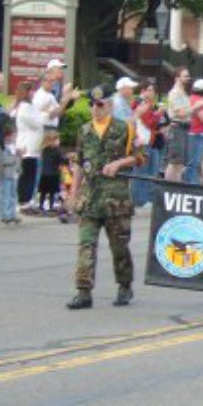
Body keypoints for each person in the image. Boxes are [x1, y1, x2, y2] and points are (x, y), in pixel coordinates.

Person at [66, 85, 146, 310]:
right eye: (92, 104)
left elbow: (140, 157)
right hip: (90, 197)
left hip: (115, 199)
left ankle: (124, 286)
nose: (95, 109)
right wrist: (73, 193)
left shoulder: (125, 128)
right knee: (86, 244)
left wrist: (119, 163)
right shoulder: (84, 130)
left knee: (119, 246)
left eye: (100, 105)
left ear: (109, 105)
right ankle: (83, 291)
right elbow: (80, 163)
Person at [13, 81, 56, 213]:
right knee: (27, 176)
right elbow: (38, 122)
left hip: (33, 147)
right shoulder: (25, 107)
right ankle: (24, 202)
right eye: (31, 90)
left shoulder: (29, 107)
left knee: (30, 175)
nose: (33, 93)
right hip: (27, 146)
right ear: (25, 92)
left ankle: (28, 201)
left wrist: (43, 113)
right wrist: (45, 113)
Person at [130, 81, 168, 207]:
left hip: (149, 142)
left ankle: (148, 198)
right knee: (140, 172)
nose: (151, 93)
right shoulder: (140, 103)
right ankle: (139, 200)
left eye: (153, 90)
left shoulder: (149, 104)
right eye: (149, 89)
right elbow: (149, 122)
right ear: (143, 90)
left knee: (150, 172)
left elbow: (155, 123)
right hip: (141, 143)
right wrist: (160, 113)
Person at [164, 67, 192, 182]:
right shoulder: (174, 93)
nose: (188, 78)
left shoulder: (183, 93)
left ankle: (176, 188)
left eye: (188, 76)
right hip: (177, 128)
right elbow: (180, 113)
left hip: (184, 128)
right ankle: (167, 189)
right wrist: (195, 107)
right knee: (174, 161)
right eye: (185, 76)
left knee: (180, 163)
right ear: (177, 78)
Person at [37, 131, 66, 214]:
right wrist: (65, 161)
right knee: (50, 191)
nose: (58, 141)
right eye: (57, 140)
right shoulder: (56, 150)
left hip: (46, 173)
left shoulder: (45, 150)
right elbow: (61, 159)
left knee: (45, 191)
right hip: (52, 173)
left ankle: (43, 205)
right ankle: (49, 206)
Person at [1, 124, 22, 224]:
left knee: (13, 195)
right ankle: (5, 215)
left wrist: (19, 167)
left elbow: (17, 161)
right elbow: (5, 161)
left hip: (14, 174)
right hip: (6, 174)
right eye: (14, 136)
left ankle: (13, 214)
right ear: (7, 136)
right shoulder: (4, 148)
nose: (15, 138)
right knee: (6, 195)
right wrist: (16, 156)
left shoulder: (13, 147)